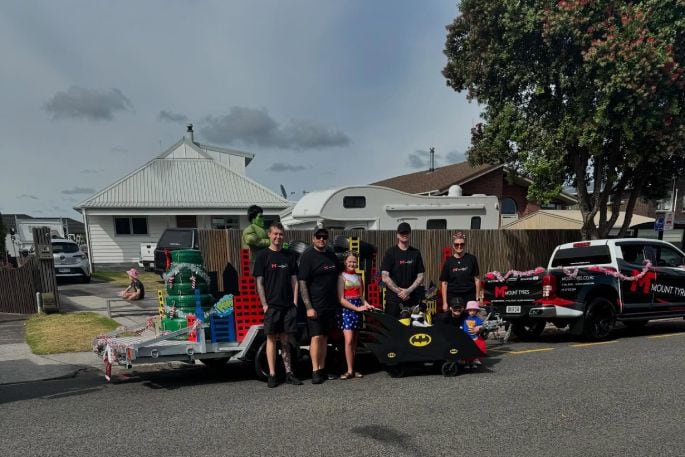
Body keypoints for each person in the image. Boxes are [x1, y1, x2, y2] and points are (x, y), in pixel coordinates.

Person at [253, 222, 303, 388]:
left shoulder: (289, 256)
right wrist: (264, 305)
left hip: (288, 305)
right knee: (271, 339)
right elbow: (259, 283)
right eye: (275, 234)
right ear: (269, 235)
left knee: (285, 340)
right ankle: (273, 374)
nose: (278, 237)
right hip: (272, 306)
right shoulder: (262, 256)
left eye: (280, 234)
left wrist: (295, 302)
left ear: (283, 236)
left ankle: (289, 373)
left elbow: (294, 281)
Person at [298, 227, 340, 384]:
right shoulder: (308, 257)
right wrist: (309, 307)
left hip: (330, 305)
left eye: (324, 237)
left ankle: (322, 369)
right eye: (319, 236)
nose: (321, 239)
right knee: (315, 337)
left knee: (324, 338)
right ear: (313, 238)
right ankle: (315, 370)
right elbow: (302, 283)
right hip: (315, 306)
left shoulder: (330, 255)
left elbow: (339, 275)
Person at [337, 251, 374, 380]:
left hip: (358, 308)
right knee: (348, 340)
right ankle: (349, 370)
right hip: (347, 309)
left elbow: (361, 296)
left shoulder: (359, 278)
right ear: (345, 262)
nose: (352, 264)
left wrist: (367, 304)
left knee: (354, 342)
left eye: (354, 261)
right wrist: (357, 308)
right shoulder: (341, 277)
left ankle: (353, 368)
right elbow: (341, 299)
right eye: (350, 261)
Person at [381, 222, 425, 317]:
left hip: (412, 298)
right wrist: (400, 292)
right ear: (397, 235)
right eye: (402, 233)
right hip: (394, 300)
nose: (404, 235)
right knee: (393, 328)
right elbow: (384, 276)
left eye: (407, 232)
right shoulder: (390, 252)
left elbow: (421, 276)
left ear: (410, 234)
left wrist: (408, 291)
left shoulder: (416, 253)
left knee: (412, 329)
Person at [440, 231, 481, 313]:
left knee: (469, 321)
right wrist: (444, 303)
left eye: (461, 244)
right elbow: (444, 283)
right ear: (453, 246)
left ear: (464, 245)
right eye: (456, 244)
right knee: (454, 321)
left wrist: (477, 299)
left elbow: (477, 280)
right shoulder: (448, 262)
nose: (459, 246)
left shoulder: (471, 259)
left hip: (469, 295)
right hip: (453, 296)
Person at [462, 300, 487, 368]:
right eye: (470, 310)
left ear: (476, 311)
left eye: (474, 310)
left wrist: (479, 327)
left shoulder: (477, 319)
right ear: (467, 311)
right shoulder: (465, 318)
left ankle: (474, 361)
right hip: (466, 338)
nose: (472, 312)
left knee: (476, 349)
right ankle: (467, 363)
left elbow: (482, 326)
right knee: (467, 350)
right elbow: (461, 326)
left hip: (474, 337)